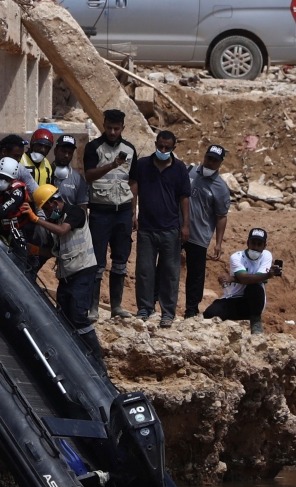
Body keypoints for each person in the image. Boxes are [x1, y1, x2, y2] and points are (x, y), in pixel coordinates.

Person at [29, 185, 104, 363]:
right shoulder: (56, 221)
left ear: (54, 202)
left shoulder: (76, 213)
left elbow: (63, 231)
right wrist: (34, 250)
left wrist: (36, 220)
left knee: (78, 315)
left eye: (46, 208)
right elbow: (56, 251)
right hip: (67, 276)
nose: (46, 214)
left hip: (83, 271)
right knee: (62, 317)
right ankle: (74, 358)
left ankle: (96, 360)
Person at [130, 130, 191, 326]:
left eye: (167, 147)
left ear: (174, 147)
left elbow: (184, 197)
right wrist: (133, 212)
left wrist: (186, 225)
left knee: (170, 272)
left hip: (170, 228)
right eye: (160, 146)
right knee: (145, 270)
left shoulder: (180, 168)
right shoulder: (143, 165)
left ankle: (167, 312)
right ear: (155, 143)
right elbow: (134, 187)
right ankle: (145, 308)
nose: (163, 150)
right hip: (147, 228)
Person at [84, 109, 138, 321]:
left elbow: (133, 182)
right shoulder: (93, 147)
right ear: (103, 126)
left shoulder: (130, 150)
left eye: (117, 128)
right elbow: (88, 175)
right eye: (109, 128)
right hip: (100, 212)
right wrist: (111, 165)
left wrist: (133, 211)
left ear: (123, 128)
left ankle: (116, 306)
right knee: (97, 262)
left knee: (120, 260)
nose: (113, 132)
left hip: (123, 212)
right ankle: (93, 307)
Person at [184, 145, 232, 318]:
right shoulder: (189, 172)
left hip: (199, 236)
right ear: (204, 157)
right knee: (168, 268)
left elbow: (221, 216)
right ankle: (157, 302)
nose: (210, 163)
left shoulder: (220, 188)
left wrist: (218, 243)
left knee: (195, 275)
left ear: (220, 163)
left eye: (215, 160)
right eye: (209, 158)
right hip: (179, 231)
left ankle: (191, 310)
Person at [204, 228, 281, 334]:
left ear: (264, 246)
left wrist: (232, 279)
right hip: (234, 297)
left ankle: (256, 321)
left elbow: (256, 279)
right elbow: (244, 278)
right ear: (248, 243)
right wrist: (268, 275)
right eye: (253, 243)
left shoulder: (266, 255)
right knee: (210, 313)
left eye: (259, 244)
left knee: (254, 287)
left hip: (253, 302)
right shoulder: (237, 257)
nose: (255, 247)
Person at [51, 134, 89, 210]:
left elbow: (82, 209)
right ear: (55, 151)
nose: (66, 155)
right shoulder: (45, 172)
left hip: (68, 220)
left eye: (70, 153)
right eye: (63, 151)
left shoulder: (78, 179)